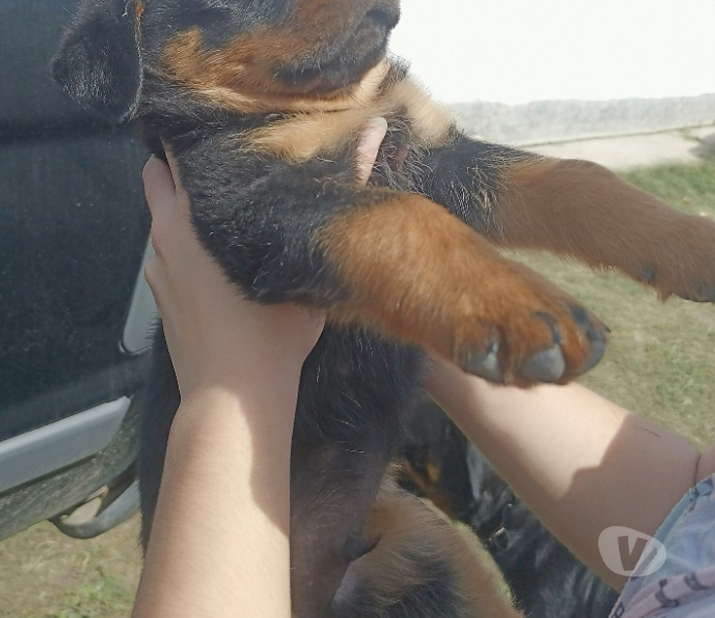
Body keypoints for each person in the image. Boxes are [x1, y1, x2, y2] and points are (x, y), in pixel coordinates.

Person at [131, 122, 715, 618]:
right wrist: (420, 300)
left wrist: (226, 385)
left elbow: (466, 174)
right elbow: (694, 507)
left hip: (285, 533)